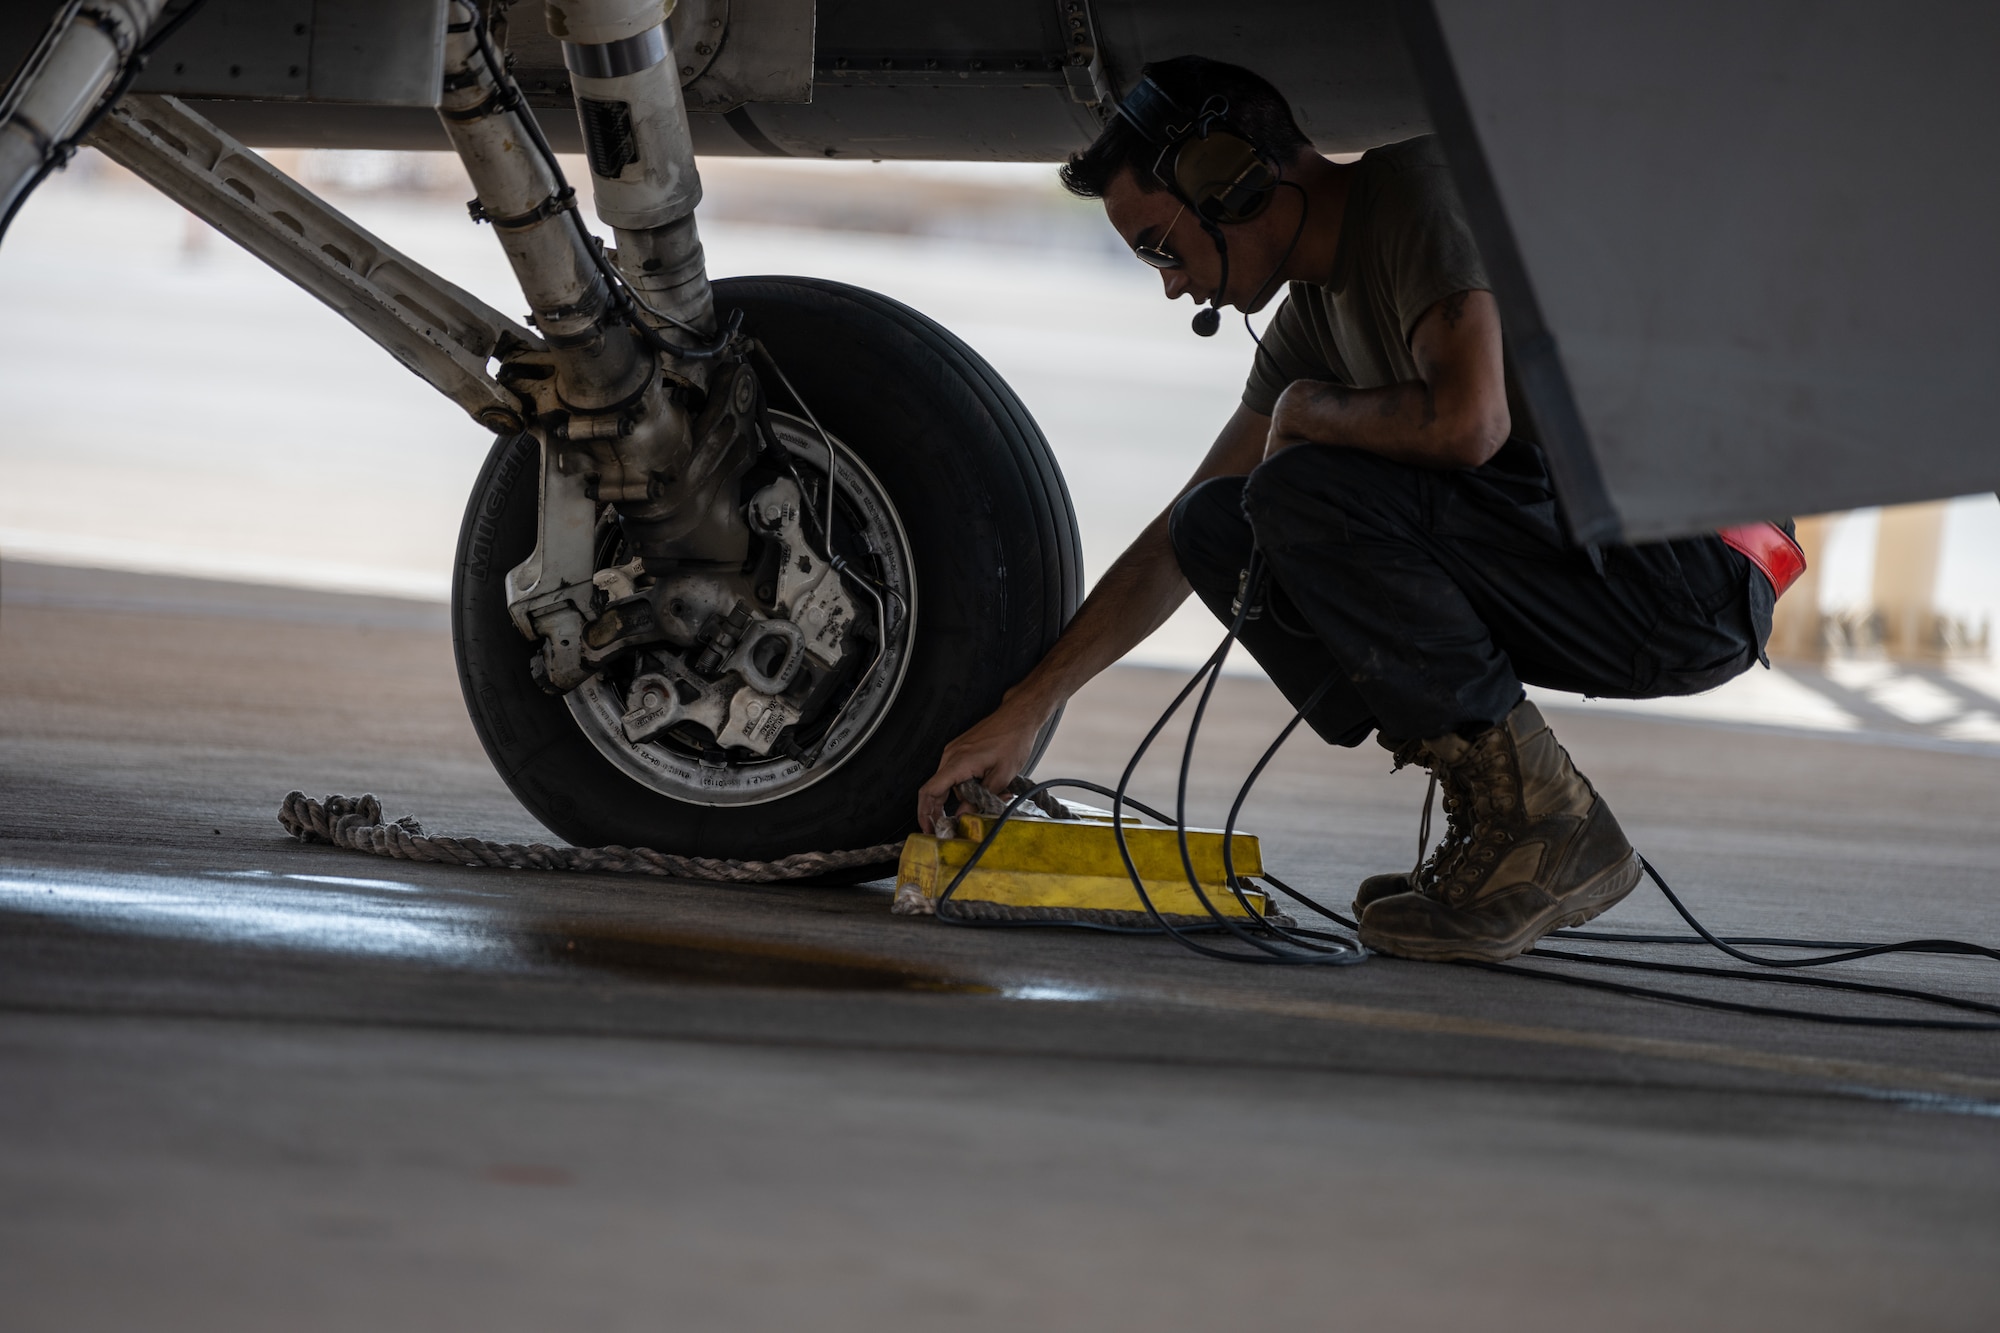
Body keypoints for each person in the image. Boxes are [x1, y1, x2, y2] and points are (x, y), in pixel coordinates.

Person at [915, 56, 1790, 964]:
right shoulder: (1313, 322)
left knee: (1296, 487)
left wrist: (1308, 414)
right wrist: (1025, 708)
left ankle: (1542, 821)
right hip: (1598, 564)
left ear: (1232, 182)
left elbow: (1471, 422)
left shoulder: (1415, 189)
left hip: (1690, 565)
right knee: (1215, 524)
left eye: (1160, 247)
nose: (1171, 284)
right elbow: (1175, 545)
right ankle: (1498, 804)